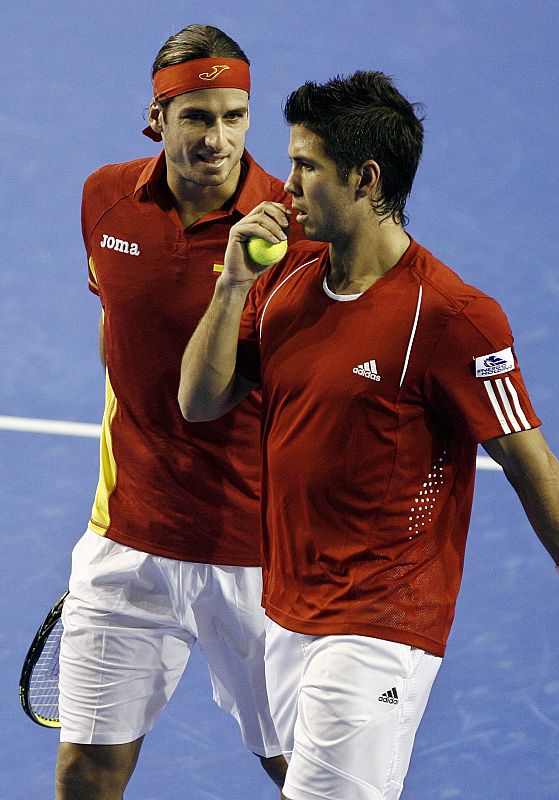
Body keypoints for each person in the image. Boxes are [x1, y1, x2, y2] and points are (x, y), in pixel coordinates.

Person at [179, 70, 559, 800]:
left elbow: (530, 463)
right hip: (285, 612)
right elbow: (199, 402)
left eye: (306, 166)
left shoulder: (453, 316)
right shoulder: (283, 283)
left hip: (379, 628)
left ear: (365, 179)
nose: (283, 185)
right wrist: (232, 282)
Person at [56, 24, 303, 800]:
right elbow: (119, 326)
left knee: (304, 772)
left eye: (234, 116)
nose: (218, 138)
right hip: (126, 541)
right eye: (197, 116)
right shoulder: (105, 199)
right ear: (157, 117)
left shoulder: (293, 230)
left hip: (254, 553)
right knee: (89, 767)